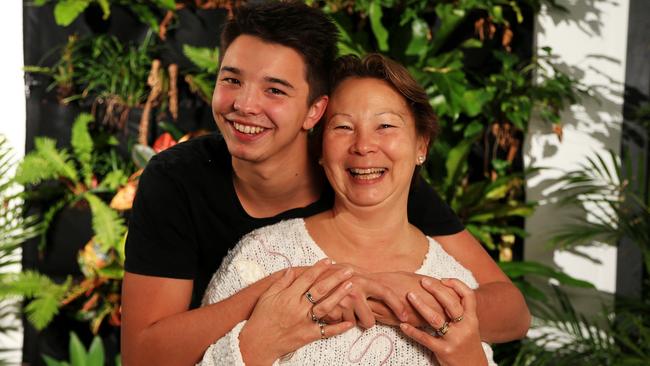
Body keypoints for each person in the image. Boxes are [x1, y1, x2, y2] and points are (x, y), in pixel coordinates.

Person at [121, 2, 530, 365]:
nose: (245, 104)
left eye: (275, 89)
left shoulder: (364, 176)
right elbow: (144, 356)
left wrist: (402, 297)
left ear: (314, 111)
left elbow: (511, 312)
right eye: (231, 80)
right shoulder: (178, 180)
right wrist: (277, 295)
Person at [199, 53, 497, 365]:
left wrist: (469, 359)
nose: (364, 145)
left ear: (421, 145)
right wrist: (256, 346)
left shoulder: (453, 284)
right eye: (343, 127)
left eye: (385, 125)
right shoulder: (260, 257)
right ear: (320, 150)